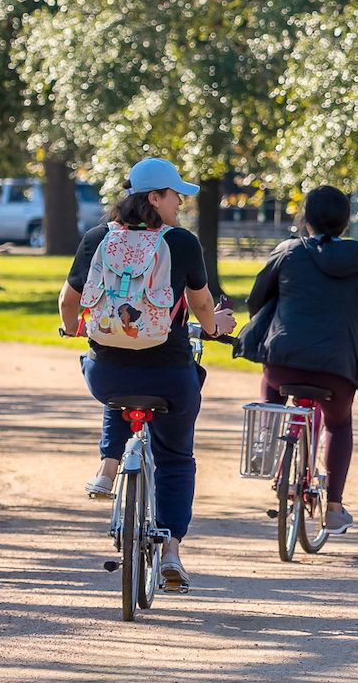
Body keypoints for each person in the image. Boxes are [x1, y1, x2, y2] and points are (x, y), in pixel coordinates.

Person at [61, 158, 234, 590]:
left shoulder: (96, 237)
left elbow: (69, 301)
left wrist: (70, 328)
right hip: (169, 374)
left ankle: (107, 466)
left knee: (111, 381)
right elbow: (201, 307)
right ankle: (172, 550)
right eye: (175, 195)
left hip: (107, 377)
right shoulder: (181, 242)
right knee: (176, 458)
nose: (180, 203)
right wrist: (217, 328)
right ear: (154, 198)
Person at [232, 184, 358, 536]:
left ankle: (268, 445)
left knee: (271, 386)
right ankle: (334, 508)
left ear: (305, 220)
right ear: (345, 223)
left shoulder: (287, 253)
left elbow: (256, 299)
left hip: (284, 362)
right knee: (338, 425)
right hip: (336, 370)